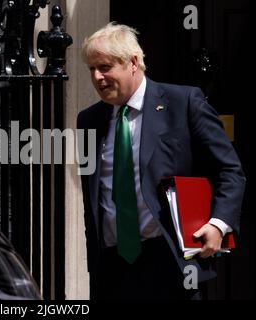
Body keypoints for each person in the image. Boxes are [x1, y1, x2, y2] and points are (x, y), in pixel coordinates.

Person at [77, 22, 246, 300]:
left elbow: (230, 169)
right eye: (91, 69)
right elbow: (93, 197)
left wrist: (219, 224)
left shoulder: (183, 102)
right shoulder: (89, 120)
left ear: (133, 62)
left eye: (105, 67)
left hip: (168, 259)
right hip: (111, 266)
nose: (97, 77)